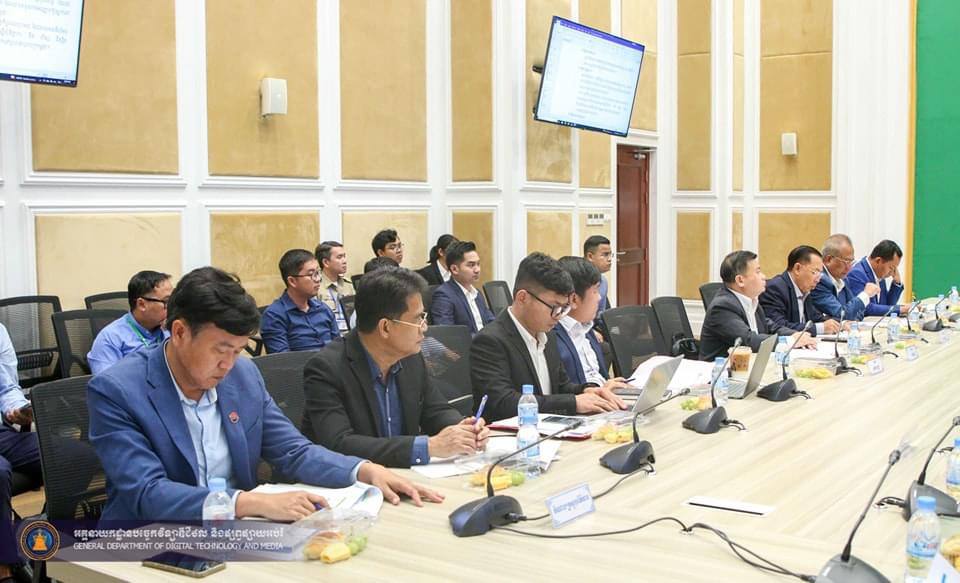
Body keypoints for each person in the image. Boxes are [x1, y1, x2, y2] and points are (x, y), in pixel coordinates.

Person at [87, 267, 441, 522]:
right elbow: (146, 492)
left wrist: (364, 469)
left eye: (238, 350)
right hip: (149, 539)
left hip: (238, 533)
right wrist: (245, 503)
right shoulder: (118, 390)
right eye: (220, 350)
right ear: (179, 333)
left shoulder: (242, 375)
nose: (228, 364)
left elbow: (293, 450)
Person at [303, 268, 488, 468]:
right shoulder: (327, 368)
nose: (425, 327)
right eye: (418, 319)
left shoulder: (410, 357)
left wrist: (462, 429)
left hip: (404, 474)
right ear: (385, 327)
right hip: (352, 480)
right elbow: (339, 444)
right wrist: (428, 447)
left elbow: (435, 410)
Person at [470, 252, 627, 422]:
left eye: (564, 308)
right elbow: (503, 402)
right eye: (554, 307)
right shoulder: (490, 341)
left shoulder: (548, 335)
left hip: (549, 428)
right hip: (509, 434)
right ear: (522, 298)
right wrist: (573, 402)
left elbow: (561, 386)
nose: (558, 316)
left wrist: (586, 391)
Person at [699, 250, 817, 361]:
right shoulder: (722, 307)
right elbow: (748, 340)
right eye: (758, 272)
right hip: (719, 371)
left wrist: (795, 335)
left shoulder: (752, 301)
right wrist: (790, 341)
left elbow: (771, 327)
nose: (764, 276)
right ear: (740, 280)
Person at [0, 324, 42, 582]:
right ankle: (5, 567)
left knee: (74, 456)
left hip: (2, 432)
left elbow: (6, 388)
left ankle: (51, 544)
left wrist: (18, 409)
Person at [554, 257, 631, 388]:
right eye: (595, 291)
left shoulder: (586, 329)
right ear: (574, 300)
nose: (599, 297)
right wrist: (602, 389)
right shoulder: (553, 337)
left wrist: (608, 384)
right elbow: (570, 389)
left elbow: (596, 374)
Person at [88, 270, 173, 375]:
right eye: (166, 301)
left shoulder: (170, 330)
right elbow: (105, 383)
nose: (172, 307)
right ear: (141, 304)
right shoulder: (110, 339)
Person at [260, 249, 338, 353]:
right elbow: (282, 359)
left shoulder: (323, 309)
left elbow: (339, 347)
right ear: (292, 281)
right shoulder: (274, 316)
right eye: (312, 274)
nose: (318, 279)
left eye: (318, 273)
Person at [758, 245, 841, 335]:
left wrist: (840, 324)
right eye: (815, 272)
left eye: (820, 273)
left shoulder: (805, 289)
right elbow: (779, 326)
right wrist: (820, 328)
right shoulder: (775, 288)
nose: (818, 279)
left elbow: (817, 318)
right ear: (797, 268)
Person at [810, 234, 881, 321]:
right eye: (846, 261)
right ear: (829, 260)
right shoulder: (819, 281)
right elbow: (842, 314)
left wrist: (848, 317)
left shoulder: (843, 279)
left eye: (851, 262)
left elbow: (858, 313)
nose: (849, 268)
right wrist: (865, 294)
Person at [429, 240, 494, 334]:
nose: (477, 270)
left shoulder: (477, 294)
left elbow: (491, 322)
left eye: (478, 264)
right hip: (468, 343)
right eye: (471, 265)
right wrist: (483, 340)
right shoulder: (444, 295)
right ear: (454, 269)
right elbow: (447, 333)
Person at [844, 240, 908, 316]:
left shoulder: (879, 273)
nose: (892, 272)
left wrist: (896, 283)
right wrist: (901, 309)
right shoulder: (856, 273)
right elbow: (865, 308)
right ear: (878, 261)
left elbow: (886, 306)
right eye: (891, 268)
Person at [315, 241, 354, 335]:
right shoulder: (316, 285)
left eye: (344, 256)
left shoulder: (348, 284)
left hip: (350, 335)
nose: (344, 261)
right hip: (328, 335)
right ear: (326, 262)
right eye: (339, 257)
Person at [584, 235, 613, 314]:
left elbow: (601, 314)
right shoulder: (576, 279)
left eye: (610, 255)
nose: (610, 259)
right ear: (590, 256)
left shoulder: (603, 281)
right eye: (605, 255)